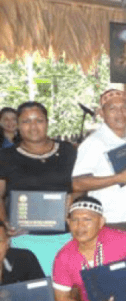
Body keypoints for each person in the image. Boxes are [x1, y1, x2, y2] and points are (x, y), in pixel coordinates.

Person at [72, 89, 126, 262]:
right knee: (117, 278)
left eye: (124, 107)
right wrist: (117, 179)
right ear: (102, 113)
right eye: (113, 109)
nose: (120, 113)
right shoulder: (94, 143)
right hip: (110, 223)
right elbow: (77, 184)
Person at [0, 101, 77, 275]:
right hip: (24, 237)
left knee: (63, 293)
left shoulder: (67, 151)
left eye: (39, 120)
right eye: (26, 121)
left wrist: (69, 213)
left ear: (47, 123)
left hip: (63, 235)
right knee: (32, 293)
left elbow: (75, 187)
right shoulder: (6, 156)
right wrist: (5, 224)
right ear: (18, 126)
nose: (33, 126)